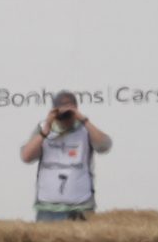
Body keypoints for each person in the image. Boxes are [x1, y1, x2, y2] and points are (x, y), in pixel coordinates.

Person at [20, 91, 111, 222]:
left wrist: (83, 120)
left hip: (81, 207)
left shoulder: (85, 129)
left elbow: (104, 146)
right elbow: (26, 157)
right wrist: (46, 129)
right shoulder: (43, 128)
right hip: (48, 208)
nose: (66, 117)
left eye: (70, 111)